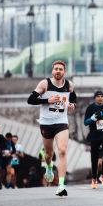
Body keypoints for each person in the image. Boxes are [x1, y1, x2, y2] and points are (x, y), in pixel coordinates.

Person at [27, 60, 77, 196]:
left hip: (61, 121)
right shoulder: (45, 84)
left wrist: (72, 104)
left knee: (62, 151)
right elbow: (30, 100)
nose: (58, 71)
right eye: (56, 69)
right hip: (46, 123)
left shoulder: (69, 85)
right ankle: (49, 167)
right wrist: (46, 100)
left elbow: (73, 97)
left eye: (61, 69)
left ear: (64, 72)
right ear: (52, 71)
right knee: (49, 154)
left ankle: (61, 185)